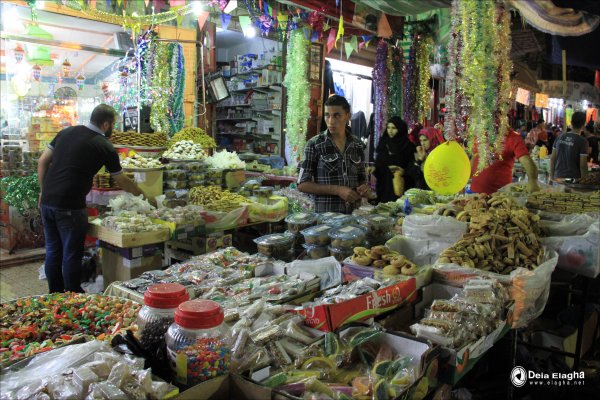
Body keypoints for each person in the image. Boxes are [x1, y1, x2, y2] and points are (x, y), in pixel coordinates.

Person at [37, 104, 154, 293]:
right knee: (71, 253)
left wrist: (43, 191)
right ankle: (73, 295)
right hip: (70, 206)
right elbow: (122, 180)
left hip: (48, 202)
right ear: (106, 124)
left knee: (52, 250)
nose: (113, 128)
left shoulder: (66, 132)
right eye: (113, 124)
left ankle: (55, 294)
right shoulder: (104, 145)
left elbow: (42, 161)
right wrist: (144, 196)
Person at [297, 95, 371, 213]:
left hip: (354, 216)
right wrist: (337, 190)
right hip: (326, 218)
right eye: (327, 115)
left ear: (348, 116)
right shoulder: (314, 144)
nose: (331, 121)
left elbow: (361, 180)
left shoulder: (357, 145)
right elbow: (302, 184)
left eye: (337, 116)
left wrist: (364, 188)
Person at [470, 128, 540, 194]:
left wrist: (532, 180)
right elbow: (474, 158)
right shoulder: (480, 136)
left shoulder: (513, 137)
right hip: (474, 194)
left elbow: (527, 161)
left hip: (500, 196)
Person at [372, 117, 416, 203]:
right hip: (384, 187)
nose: (390, 131)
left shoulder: (408, 147)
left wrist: (402, 171)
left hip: (402, 187)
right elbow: (379, 164)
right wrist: (374, 168)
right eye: (388, 128)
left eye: (393, 128)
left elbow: (412, 168)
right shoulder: (384, 144)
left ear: (400, 129)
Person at [550, 111, 589, 181]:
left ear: (571, 123)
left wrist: (551, 177)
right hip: (573, 180)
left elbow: (553, 159)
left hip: (558, 177)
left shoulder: (559, 137)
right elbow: (583, 165)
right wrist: (585, 180)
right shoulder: (583, 141)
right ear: (583, 125)